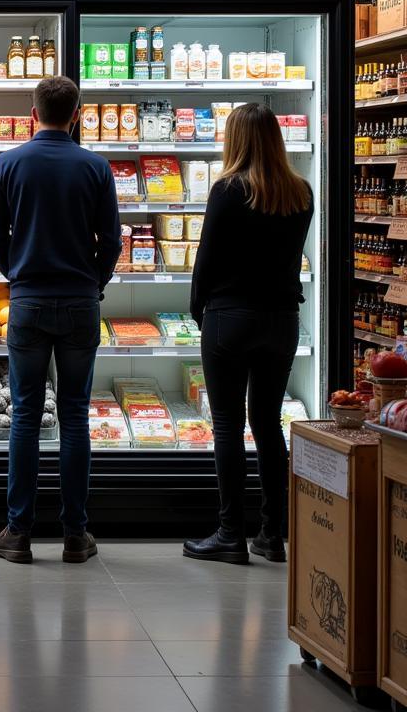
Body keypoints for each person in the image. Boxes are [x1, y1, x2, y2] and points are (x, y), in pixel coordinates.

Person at [0, 76, 122, 564]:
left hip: (29, 305)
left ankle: (18, 532)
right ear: (78, 114)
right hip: (81, 304)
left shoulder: (8, 163)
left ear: (32, 111)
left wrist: (17, 274)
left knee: (24, 415)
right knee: (75, 415)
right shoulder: (96, 167)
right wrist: (93, 282)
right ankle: (75, 535)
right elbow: (113, 240)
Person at [184, 102, 313, 565]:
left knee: (227, 426)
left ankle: (229, 533)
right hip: (280, 321)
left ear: (235, 140)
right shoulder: (302, 193)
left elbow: (207, 259)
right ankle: (273, 534)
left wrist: (200, 311)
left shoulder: (227, 190)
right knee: (267, 423)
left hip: (230, 317)